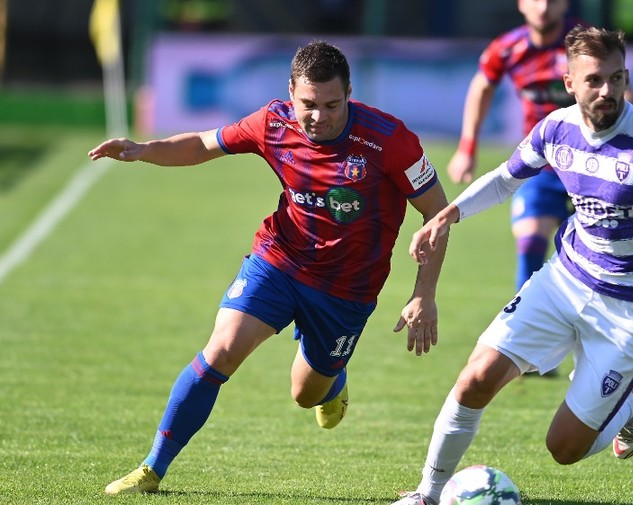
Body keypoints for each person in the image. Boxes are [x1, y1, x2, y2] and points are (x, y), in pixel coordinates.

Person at [392, 26, 633, 505]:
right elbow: (507, 179)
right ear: (569, 82)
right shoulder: (555, 129)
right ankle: (427, 493)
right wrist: (450, 213)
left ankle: (631, 401)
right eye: (594, 80)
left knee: (563, 449)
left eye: (616, 78)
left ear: (627, 76)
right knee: (475, 378)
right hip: (565, 280)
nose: (607, 91)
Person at [88, 40, 450, 495]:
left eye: (333, 105)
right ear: (291, 93)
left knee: (306, 394)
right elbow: (204, 144)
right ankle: (152, 469)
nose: (319, 117)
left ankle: (332, 382)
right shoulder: (273, 122)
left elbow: (438, 214)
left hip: (346, 291)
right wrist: (144, 149)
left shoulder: (390, 140)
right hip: (279, 260)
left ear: (350, 93)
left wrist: (424, 293)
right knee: (220, 350)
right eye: (309, 105)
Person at [447, 0, 633, 299]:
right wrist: (467, 147)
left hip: (593, 165)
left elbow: (624, 93)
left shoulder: (587, 44)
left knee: (604, 255)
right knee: (530, 241)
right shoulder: (509, 48)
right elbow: (481, 86)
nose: (544, 6)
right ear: (521, 4)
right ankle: (525, 321)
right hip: (541, 165)